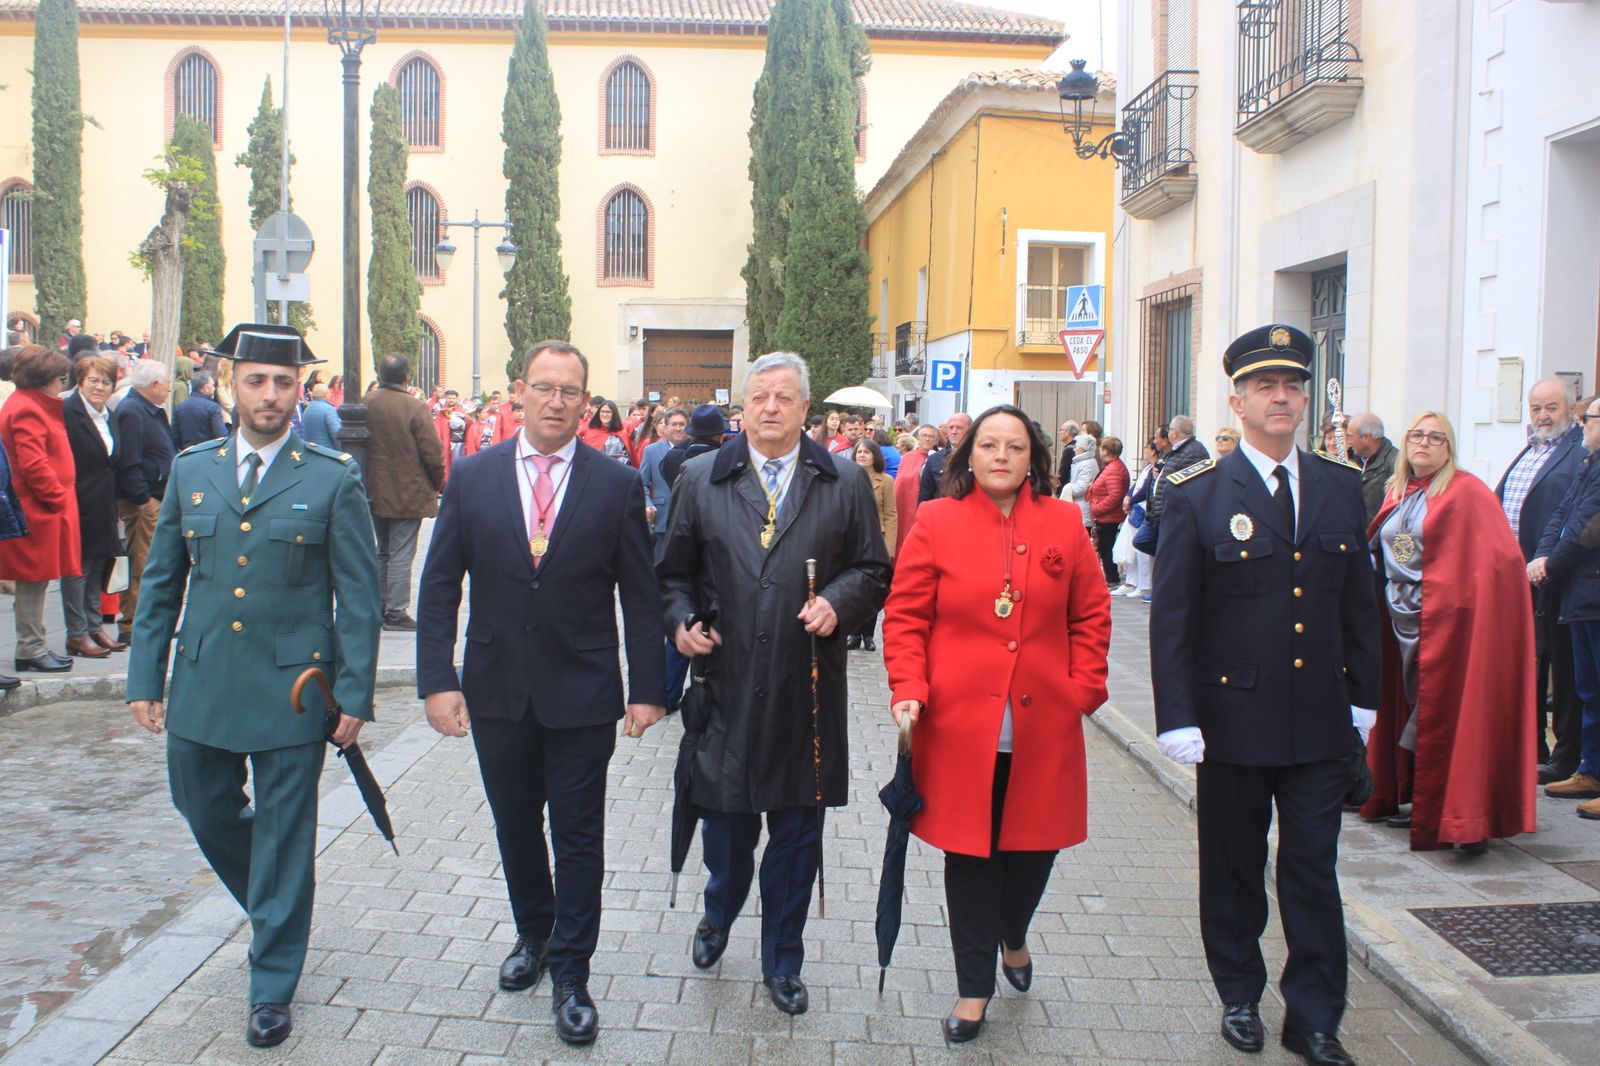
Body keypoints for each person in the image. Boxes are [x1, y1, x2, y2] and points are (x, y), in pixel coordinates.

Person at [126, 322, 381, 1050]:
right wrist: (144, 675)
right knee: (201, 803)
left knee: (285, 834)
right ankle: (278, 909)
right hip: (204, 678)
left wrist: (355, 693)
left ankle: (271, 983)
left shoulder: (331, 475)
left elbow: (359, 596)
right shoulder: (192, 470)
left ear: (299, 389)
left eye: (283, 381)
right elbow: (161, 583)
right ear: (231, 385)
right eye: (256, 380)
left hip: (295, 687)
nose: (270, 394)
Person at [416, 340, 666, 1046]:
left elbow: (640, 596)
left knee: (579, 835)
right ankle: (534, 933)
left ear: (585, 403)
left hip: (583, 691)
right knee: (516, 824)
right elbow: (439, 587)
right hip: (496, 687)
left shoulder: (616, 485)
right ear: (520, 392)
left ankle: (572, 973)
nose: (556, 401)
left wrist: (648, 688)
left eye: (570, 392)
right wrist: (437, 680)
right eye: (545, 387)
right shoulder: (473, 477)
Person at [1150, 324, 1381, 1066]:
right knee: (1233, 866)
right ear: (1238, 401)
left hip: (1318, 721)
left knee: (1313, 869)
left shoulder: (1341, 486)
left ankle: (1314, 1018)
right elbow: (1174, 617)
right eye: (1264, 386)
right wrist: (1177, 716)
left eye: (1291, 386)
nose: (1280, 398)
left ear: (1305, 399)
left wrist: (1364, 703)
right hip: (1231, 721)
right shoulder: (1199, 492)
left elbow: (1359, 606)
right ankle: (1240, 994)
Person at [657, 351, 890, 1017]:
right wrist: (681, 623)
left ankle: (783, 957)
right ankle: (719, 910)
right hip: (726, 688)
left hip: (804, 693)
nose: (770, 407)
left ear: (805, 409)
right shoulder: (701, 477)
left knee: (795, 843)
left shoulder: (843, 480)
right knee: (727, 840)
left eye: (784, 397)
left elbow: (873, 570)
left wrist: (839, 603)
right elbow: (671, 574)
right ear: (742, 406)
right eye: (759, 396)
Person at [883, 405, 1109, 1044]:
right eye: (989, 445)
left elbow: (1091, 615)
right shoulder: (937, 519)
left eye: (1015, 446)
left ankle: (1015, 932)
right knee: (972, 859)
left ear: (1033, 457)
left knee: (1034, 853)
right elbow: (906, 616)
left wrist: (1083, 690)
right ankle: (973, 987)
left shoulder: (1063, 521)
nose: (1001, 456)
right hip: (960, 727)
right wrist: (909, 687)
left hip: (1045, 726)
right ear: (970, 455)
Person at [1366, 411, 1537, 850]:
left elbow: (1501, 560)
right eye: (1417, 435)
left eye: (1435, 437)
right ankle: (1422, 800)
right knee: (1413, 708)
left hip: (1447, 622)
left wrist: (1461, 601)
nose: (1424, 443)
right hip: (1398, 618)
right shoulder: (1397, 490)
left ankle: (1461, 815)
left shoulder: (1467, 492)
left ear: (1449, 446)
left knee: (1446, 712)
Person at [1496, 381, 1586, 782]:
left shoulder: (1579, 451)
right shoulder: (1530, 449)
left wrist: (1551, 560)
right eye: (1536, 408)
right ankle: (1530, 746)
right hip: (1516, 575)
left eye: (1551, 407)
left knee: (1562, 669)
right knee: (1525, 664)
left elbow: (1574, 516)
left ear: (1569, 409)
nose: (1542, 415)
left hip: (1554, 574)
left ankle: (1567, 755)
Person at [1533, 394, 1600, 821]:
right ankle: (1591, 771)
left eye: (1587, 418)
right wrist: (1542, 554)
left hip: (1592, 591)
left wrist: (1551, 565)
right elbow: (1561, 515)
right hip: (1581, 594)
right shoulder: (1589, 463)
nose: (1582, 425)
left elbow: (1588, 528)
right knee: (1588, 688)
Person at [0, 345, 81, 673]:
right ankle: (31, 647)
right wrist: (57, 499)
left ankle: (34, 644)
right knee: (33, 580)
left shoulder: (27, 404)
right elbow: (33, 465)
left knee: (36, 580)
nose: (61, 384)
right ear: (46, 379)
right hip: (37, 509)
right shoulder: (27, 408)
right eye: (59, 378)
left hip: (39, 507)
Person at [365, 354, 446, 631]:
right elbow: (432, 451)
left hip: (374, 488)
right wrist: (437, 482)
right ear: (406, 376)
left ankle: (379, 606)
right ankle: (396, 612)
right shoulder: (414, 406)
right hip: (408, 491)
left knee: (383, 551)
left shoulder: (366, 403)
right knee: (400, 553)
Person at [62, 354, 124, 659]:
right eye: (93, 381)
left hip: (103, 502)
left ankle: (94, 627)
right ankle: (77, 633)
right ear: (81, 381)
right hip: (77, 500)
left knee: (98, 565)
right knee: (78, 568)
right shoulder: (67, 411)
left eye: (106, 382)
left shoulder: (109, 415)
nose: (100, 387)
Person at [112, 359, 175, 646]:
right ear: (154, 384)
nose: (169, 388)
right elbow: (129, 461)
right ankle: (133, 623)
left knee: (153, 562)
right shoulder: (132, 411)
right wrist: (143, 500)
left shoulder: (146, 409)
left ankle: (149, 620)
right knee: (142, 562)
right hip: (143, 501)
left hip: (154, 496)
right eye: (167, 383)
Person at [847, 436, 896, 651]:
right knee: (852, 586)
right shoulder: (847, 477)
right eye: (859, 451)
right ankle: (854, 633)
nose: (862, 455)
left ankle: (868, 635)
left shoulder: (885, 480)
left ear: (874, 456)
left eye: (866, 452)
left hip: (877, 539)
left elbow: (891, 514)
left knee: (872, 586)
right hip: (852, 539)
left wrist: (889, 548)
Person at [1118, 438, 1162, 600]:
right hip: (1140, 508)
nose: (1144, 450)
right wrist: (1128, 497)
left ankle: (1146, 585)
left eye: (1146, 447)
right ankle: (1133, 581)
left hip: (1146, 510)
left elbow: (1146, 489)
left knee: (1142, 549)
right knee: (1135, 549)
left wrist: (1131, 500)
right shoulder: (1148, 467)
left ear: (1153, 450)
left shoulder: (1157, 467)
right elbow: (1137, 486)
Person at [1088, 436, 1130, 587]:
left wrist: (1097, 508)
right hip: (1105, 516)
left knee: (1107, 548)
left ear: (1106, 450)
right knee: (1105, 547)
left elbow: (1115, 496)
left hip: (1109, 517)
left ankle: (1111, 579)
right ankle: (1109, 578)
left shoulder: (1114, 469)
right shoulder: (1111, 467)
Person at [1348, 413, 1399, 529]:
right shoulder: (1352, 460)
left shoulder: (1397, 463)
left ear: (1366, 437)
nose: (1348, 442)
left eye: (1350, 436)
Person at [920, 412, 972, 503]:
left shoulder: (978, 458)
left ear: (970, 430)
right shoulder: (934, 459)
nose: (954, 432)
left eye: (959, 428)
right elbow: (925, 496)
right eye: (951, 428)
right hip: (940, 510)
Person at [172, 371, 229, 450]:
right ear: (206, 388)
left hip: (187, 453)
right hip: (208, 452)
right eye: (212, 385)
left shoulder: (180, 408)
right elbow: (221, 436)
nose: (214, 389)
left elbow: (175, 437)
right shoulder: (213, 407)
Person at [1063, 431, 1098, 527]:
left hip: (1082, 508)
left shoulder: (1086, 464)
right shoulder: (1084, 462)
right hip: (1080, 506)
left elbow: (1081, 488)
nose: (1074, 449)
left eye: (1076, 447)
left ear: (1082, 449)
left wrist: (1067, 488)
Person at [579, 398, 631, 463]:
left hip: (615, 467)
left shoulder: (622, 434)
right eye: (602, 411)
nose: (605, 414)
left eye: (608, 412)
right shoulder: (590, 432)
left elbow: (626, 456)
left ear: (614, 414)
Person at [299, 382, 343, 448]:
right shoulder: (329, 409)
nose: (331, 394)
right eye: (329, 393)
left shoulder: (307, 409)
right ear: (325, 395)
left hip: (311, 450)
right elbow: (336, 434)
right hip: (327, 451)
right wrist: (341, 451)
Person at [1056, 420, 1082, 487]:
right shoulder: (1079, 447)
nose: (1059, 433)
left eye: (1061, 430)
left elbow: (1063, 473)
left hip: (1067, 486)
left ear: (1067, 432)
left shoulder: (1068, 450)